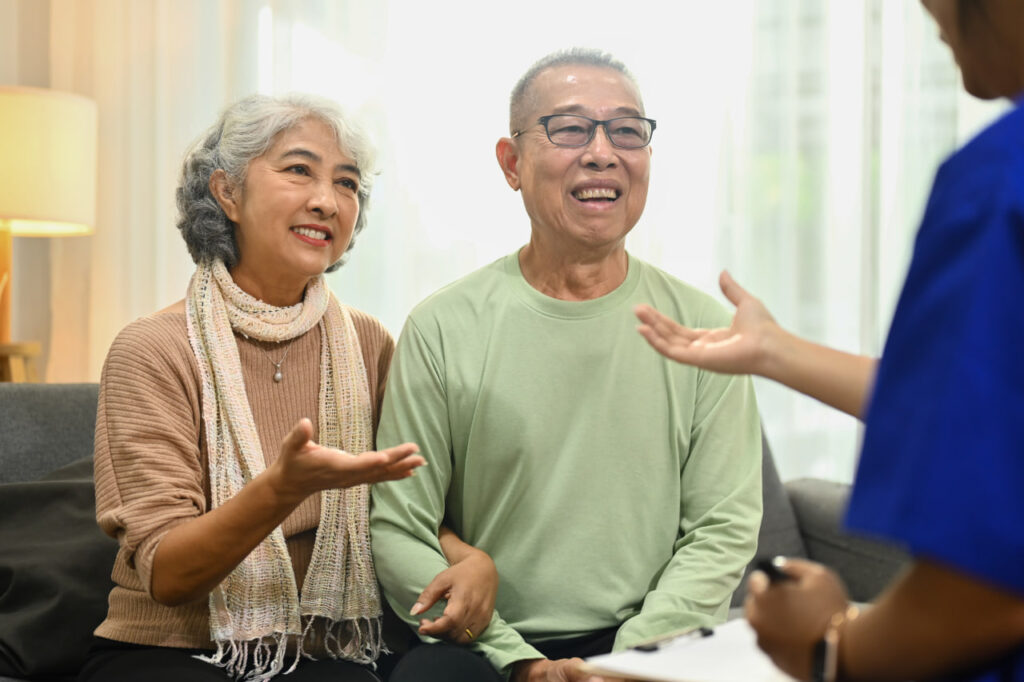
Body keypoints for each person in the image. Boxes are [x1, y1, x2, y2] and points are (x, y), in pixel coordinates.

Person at [634, 1, 1024, 680]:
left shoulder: (997, 185)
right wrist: (774, 350)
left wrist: (830, 646)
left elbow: (988, 578)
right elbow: (984, 404)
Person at [370, 48, 763, 682]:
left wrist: (628, 662)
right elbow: (398, 527)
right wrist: (516, 658)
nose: (603, 152)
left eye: (627, 131)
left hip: (650, 639)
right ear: (511, 162)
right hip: (486, 643)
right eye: (571, 128)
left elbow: (722, 528)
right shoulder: (442, 326)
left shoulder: (705, 328)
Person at [79, 93, 496, 682]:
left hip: (327, 649)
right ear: (227, 193)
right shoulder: (152, 349)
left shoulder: (368, 341)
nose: (327, 201)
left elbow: (406, 508)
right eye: (299, 170)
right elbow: (169, 576)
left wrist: (469, 557)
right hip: (171, 649)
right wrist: (279, 490)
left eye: (347, 183)